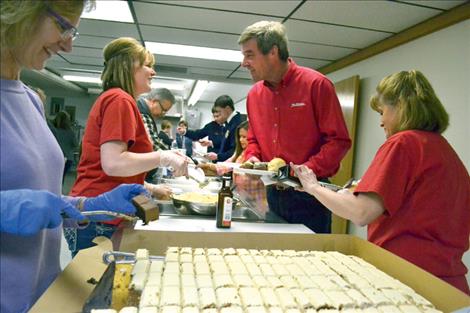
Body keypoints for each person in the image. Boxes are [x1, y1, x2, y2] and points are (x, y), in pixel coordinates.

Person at [0, 1, 150, 312]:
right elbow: (20, 203)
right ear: (17, 12)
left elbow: (40, 197)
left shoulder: (29, 99)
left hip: (43, 295)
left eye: (73, 32)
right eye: (62, 26)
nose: (68, 44)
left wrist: (87, 205)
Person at [292, 70, 470, 295]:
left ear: (401, 107)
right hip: (450, 286)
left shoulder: (403, 143)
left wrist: (312, 186)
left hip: (407, 280)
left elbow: (361, 213)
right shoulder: (446, 152)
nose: (381, 122)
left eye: (382, 111)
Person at [68, 37, 189, 256]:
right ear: (127, 65)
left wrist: (151, 188)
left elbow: (118, 169)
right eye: (147, 65)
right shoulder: (119, 100)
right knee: (99, 286)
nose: (153, 72)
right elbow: (114, 164)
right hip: (100, 213)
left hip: (98, 210)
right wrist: (164, 156)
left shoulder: (119, 100)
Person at [238, 21, 351, 233]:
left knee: (312, 262)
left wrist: (301, 172)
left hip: (310, 197)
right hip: (272, 194)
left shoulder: (316, 85)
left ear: (273, 51)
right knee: (275, 261)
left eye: (250, 55)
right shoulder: (254, 95)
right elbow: (253, 139)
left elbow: (338, 142)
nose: (244, 62)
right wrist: (252, 157)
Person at [50, 110, 78, 180]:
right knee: (61, 178)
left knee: (53, 178)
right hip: (68, 158)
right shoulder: (70, 132)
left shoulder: (53, 130)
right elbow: (76, 144)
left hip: (55, 158)